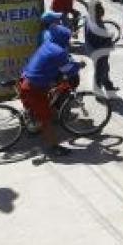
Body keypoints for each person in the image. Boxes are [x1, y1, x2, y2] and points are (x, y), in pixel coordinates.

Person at [19, 25, 81, 159]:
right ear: (64, 38)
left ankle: (32, 125)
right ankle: (54, 147)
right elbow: (68, 70)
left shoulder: (48, 43)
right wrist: (78, 66)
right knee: (46, 119)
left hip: (26, 78)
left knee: (39, 106)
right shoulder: (59, 51)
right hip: (34, 87)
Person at [84, 1, 118, 93]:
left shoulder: (91, 18)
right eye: (100, 8)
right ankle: (98, 92)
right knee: (100, 71)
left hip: (96, 50)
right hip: (98, 52)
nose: (103, 10)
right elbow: (98, 40)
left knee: (105, 68)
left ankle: (107, 85)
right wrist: (109, 36)